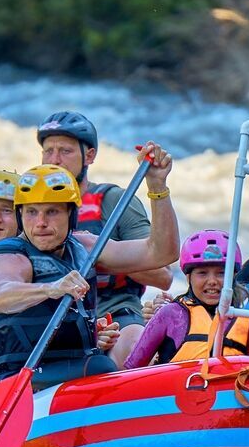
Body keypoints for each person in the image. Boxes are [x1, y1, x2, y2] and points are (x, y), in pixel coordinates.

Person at [0, 152, 179, 395]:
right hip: (5, 380)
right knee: (99, 366)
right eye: (32, 212)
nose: (40, 222)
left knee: (111, 361)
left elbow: (161, 253)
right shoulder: (10, 257)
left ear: (71, 215)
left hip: (56, 371)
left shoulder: (84, 247)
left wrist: (158, 187)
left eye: (52, 212)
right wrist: (52, 288)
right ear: (21, 216)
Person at [35, 111, 171, 364]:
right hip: (50, 312)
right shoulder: (29, 205)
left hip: (115, 312)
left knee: (133, 343)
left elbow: (162, 276)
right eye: (48, 151)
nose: (54, 160)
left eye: (65, 151)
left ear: (89, 155)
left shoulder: (115, 202)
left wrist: (101, 252)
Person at [122, 230, 249, 368]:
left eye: (221, 273)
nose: (212, 281)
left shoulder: (248, 322)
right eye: (202, 273)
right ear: (189, 278)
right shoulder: (170, 315)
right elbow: (131, 368)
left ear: (233, 276)